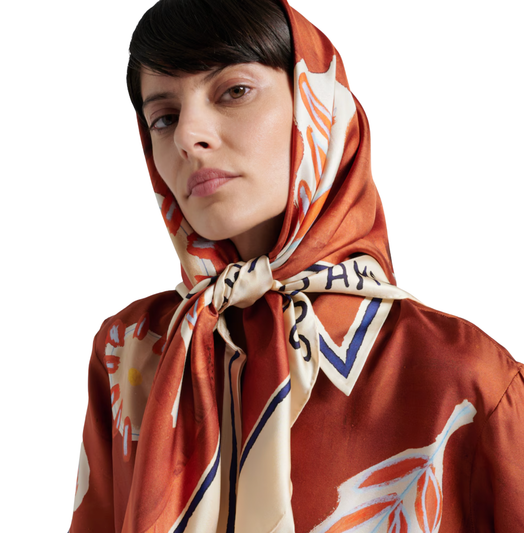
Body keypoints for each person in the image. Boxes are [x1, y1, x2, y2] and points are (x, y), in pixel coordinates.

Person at [69, 0, 524, 531]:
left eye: (234, 91)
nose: (188, 135)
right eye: (164, 117)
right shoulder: (131, 352)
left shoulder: (466, 381)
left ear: (316, 104)